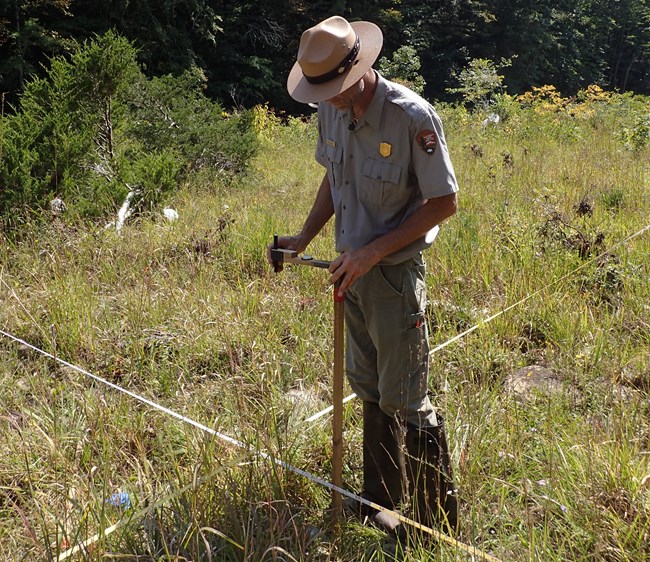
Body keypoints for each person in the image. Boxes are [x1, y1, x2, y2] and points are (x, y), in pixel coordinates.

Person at [269, 15, 459, 537]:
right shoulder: (330, 114)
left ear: (357, 71)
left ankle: (432, 526)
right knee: (369, 390)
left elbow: (444, 202)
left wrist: (373, 253)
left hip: (393, 278)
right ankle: (380, 506)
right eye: (318, 90)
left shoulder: (410, 116)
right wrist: (304, 238)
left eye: (331, 88)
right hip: (346, 273)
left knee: (407, 398)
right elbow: (335, 179)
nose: (325, 99)